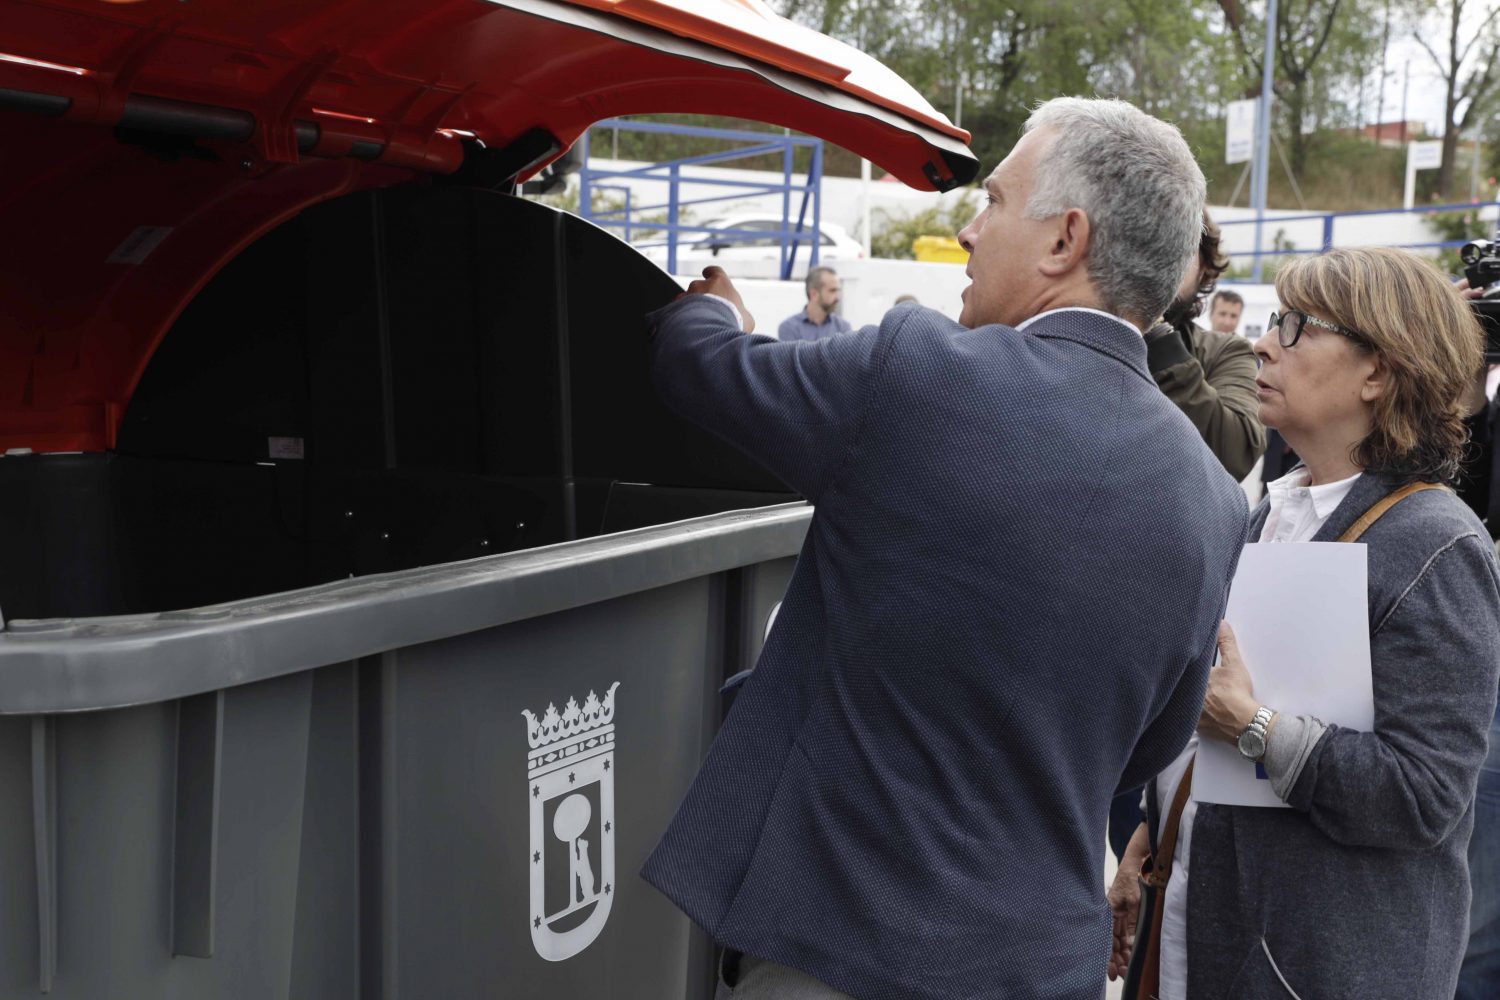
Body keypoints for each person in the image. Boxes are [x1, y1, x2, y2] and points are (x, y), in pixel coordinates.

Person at [641, 97, 1250, 999]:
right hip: (1042, 965)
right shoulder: (1211, 496)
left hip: (840, 947)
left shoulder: (922, 375)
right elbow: (1146, 746)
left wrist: (713, 312)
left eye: (995, 201)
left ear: (1064, 240)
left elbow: (706, 376)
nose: (968, 230)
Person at [1108, 247, 1500, 999]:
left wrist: (1258, 728)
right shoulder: (1274, 510)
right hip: (1209, 929)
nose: (1263, 342)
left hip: (1315, 965)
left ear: (1378, 371)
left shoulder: (1436, 544)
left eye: (1295, 326)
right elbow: (1227, 722)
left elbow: (1425, 796)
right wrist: (1159, 833)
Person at [1107, 212, 1266, 861]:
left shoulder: (1221, 352)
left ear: (1204, 267)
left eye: (1185, 252)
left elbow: (1234, 447)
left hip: (1167, 613)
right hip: (1085, 594)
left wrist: (1162, 341)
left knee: (1144, 823)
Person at [777, 265, 852, 341]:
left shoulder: (843, 327)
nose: (838, 298)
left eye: (838, 291)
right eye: (832, 291)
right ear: (814, 294)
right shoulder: (789, 328)